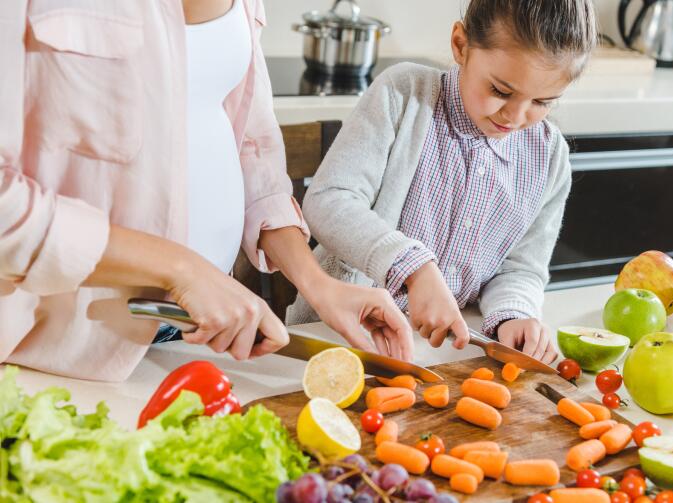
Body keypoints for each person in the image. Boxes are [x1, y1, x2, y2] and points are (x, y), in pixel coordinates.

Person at [0, 0, 412, 381]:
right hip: (56, 352)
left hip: (195, 338)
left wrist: (320, 286)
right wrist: (182, 269)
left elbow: (252, 148)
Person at [287, 0, 598, 364]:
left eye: (543, 101)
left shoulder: (549, 158)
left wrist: (515, 314)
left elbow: (521, 268)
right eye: (500, 90)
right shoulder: (404, 94)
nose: (515, 116)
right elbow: (329, 200)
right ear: (461, 45)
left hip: (442, 355)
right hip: (338, 339)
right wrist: (413, 268)